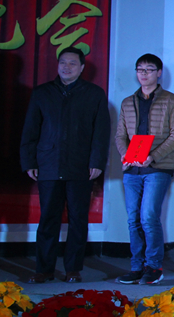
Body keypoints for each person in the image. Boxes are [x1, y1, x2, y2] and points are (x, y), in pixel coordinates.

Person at [20, 46, 110, 284]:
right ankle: (44, 270)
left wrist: (97, 162)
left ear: (81, 68)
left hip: (81, 165)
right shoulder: (42, 93)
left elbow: (101, 132)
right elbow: (30, 130)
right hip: (48, 163)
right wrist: (29, 161)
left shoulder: (94, 93)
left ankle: (73, 269)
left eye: (72, 63)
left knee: (78, 219)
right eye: (63, 62)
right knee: (48, 218)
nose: (66, 67)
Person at [114, 54, 174, 285]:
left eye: (149, 69)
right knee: (133, 219)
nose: (144, 74)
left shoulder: (172, 100)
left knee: (148, 216)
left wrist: (153, 156)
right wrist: (125, 154)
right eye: (140, 69)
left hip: (157, 168)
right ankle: (136, 267)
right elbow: (120, 135)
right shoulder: (127, 102)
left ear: (159, 72)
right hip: (131, 169)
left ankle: (154, 267)